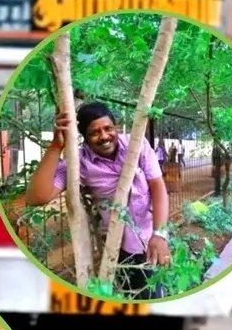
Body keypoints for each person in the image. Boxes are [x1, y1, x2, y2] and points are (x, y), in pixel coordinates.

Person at [25, 101, 171, 298]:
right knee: (132, 294)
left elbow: (158, 187)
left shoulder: (136, 145)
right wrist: (56, 146)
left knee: (155, 292)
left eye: (108, 128)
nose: (104, 136)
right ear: (84, 137)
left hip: (150, 237)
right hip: (117, 245)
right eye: (95, 132)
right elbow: (37, 197)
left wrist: (159, 234)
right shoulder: (80, 163)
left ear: (116, 127)